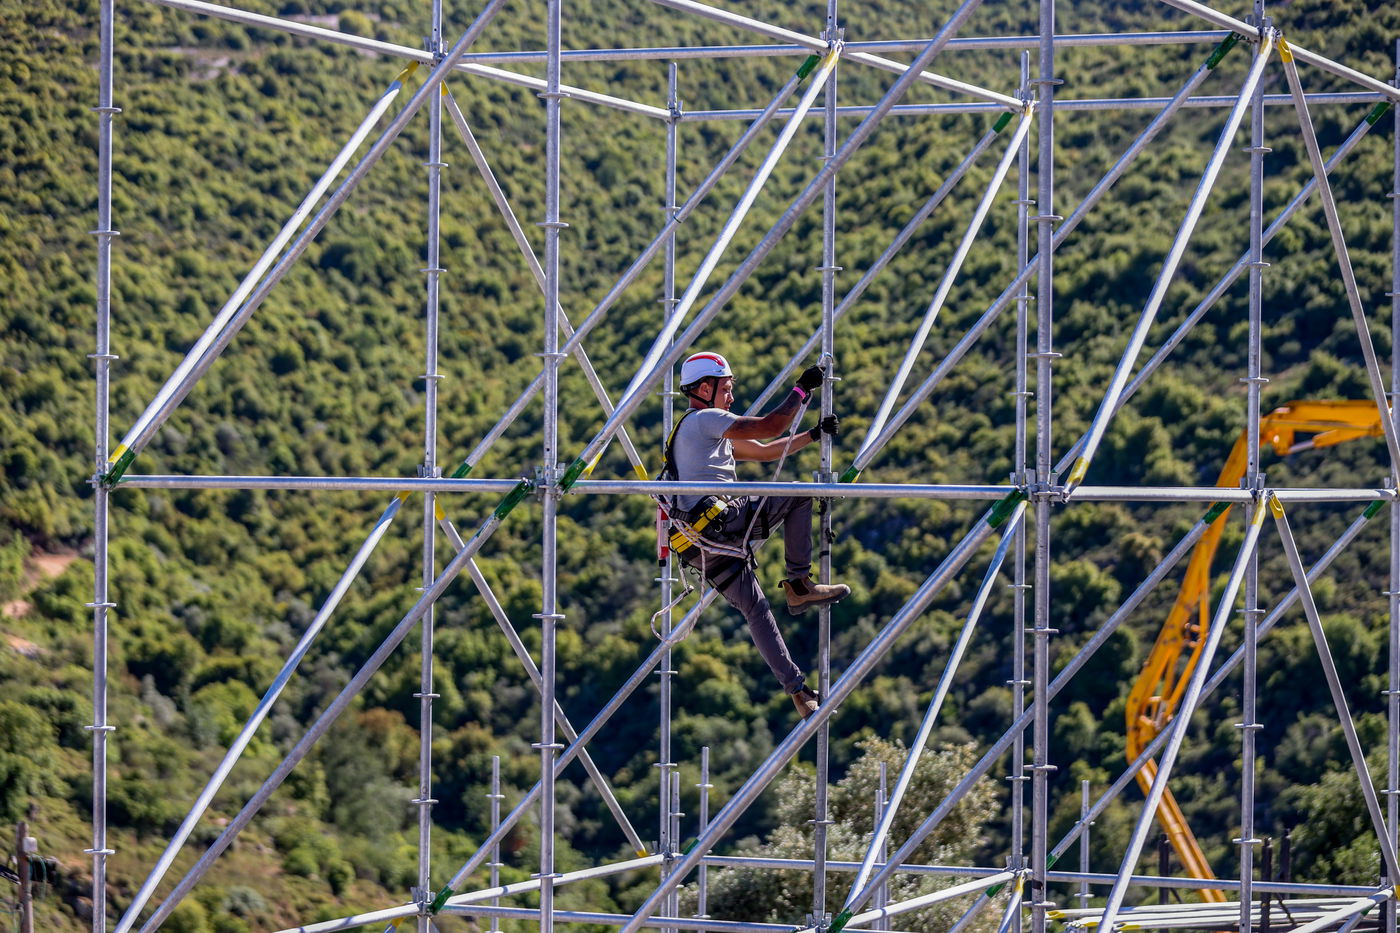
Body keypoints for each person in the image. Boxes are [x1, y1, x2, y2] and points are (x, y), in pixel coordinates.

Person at [664, 350, 850, 720]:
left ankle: (798, 693)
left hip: (701, 544)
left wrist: (812, 435)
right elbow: (769, 427)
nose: (731, 397)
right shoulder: (705, 420)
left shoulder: (698, 435)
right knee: (798, 494)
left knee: (756, 610)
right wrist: (800, 391)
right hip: (720, 521)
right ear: (705, 388)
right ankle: (798, 582)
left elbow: (765, 451)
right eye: (727, 389)